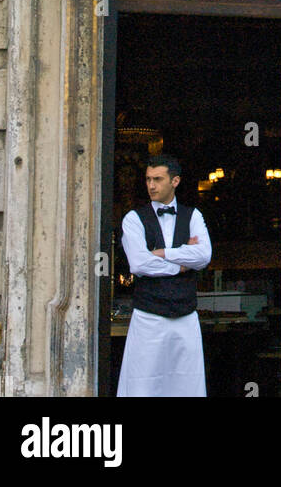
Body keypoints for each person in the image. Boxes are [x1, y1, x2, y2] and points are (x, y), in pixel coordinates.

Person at [117, 154, 212, 398]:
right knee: (142, 385)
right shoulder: (133, 219)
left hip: (186, 315)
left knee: (187, 385)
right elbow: (139, 263)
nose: (151, 185)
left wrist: (162, 253)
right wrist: (180, 264)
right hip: (148, 317)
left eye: (158, 179)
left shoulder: (194, 216)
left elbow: (203, 256)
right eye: (148, 179)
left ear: (175, 181)